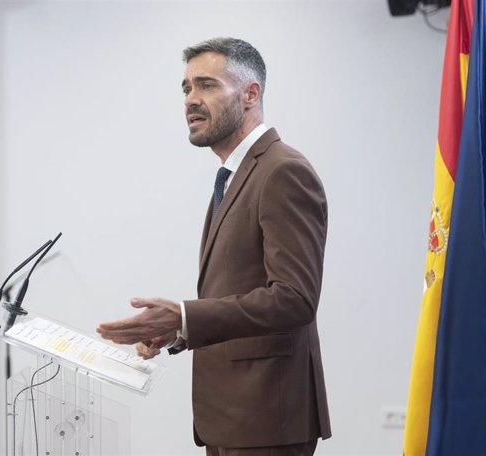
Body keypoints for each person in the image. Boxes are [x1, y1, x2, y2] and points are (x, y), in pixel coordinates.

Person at [96, 37, 331, 456]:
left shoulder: (282, 171)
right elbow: (236, 291)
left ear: (250, 94)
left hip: (266, 418)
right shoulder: (234, 175)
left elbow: (294, 299)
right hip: (231, 417)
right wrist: (176, 330)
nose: (191, 99)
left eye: (206, 85)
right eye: (186, 88)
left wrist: (184, 316)